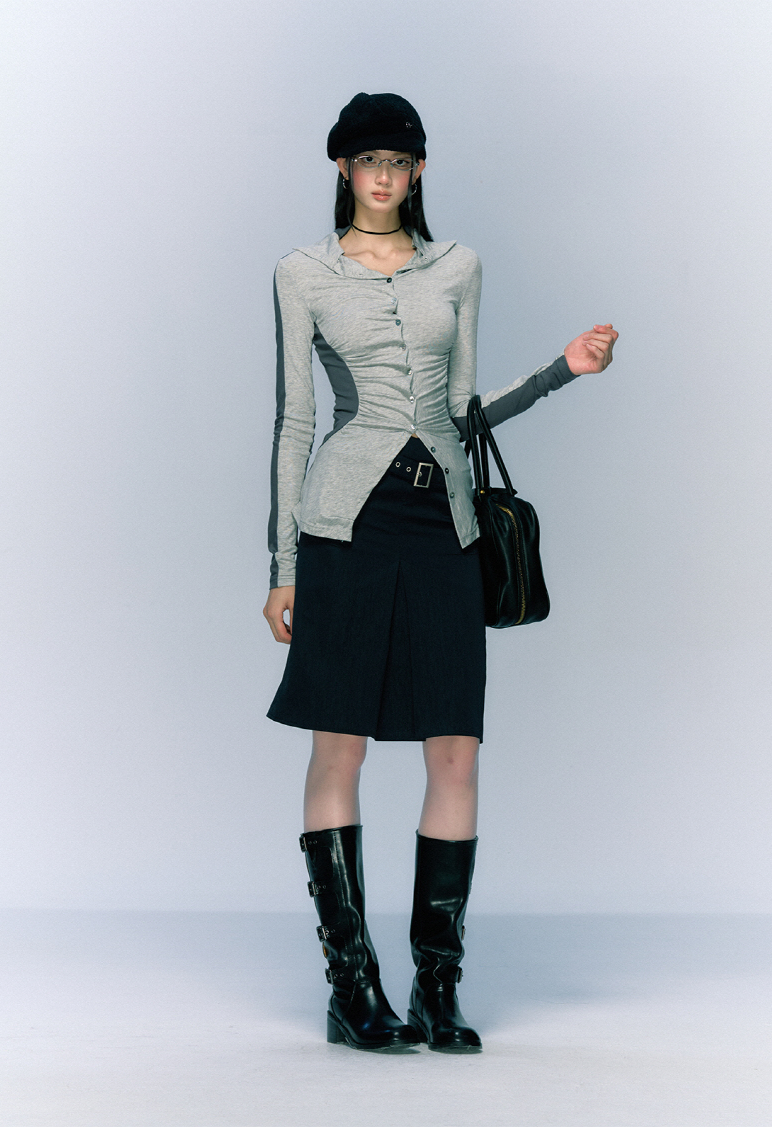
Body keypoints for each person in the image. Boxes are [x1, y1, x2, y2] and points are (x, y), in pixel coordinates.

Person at [263, 92, 617, 1054]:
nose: (383, 176)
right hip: (344, 526)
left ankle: (437, 985)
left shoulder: (458, 267)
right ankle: (352, 987)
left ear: (418, 171)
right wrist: (283, 563)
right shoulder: (303, 273)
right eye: (367, 160)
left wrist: (560, 370)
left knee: (455, 747)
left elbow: (462, 413)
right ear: (343, 169)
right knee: (339, 744)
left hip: (443, 525)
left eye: (399, 161)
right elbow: (295, 422)